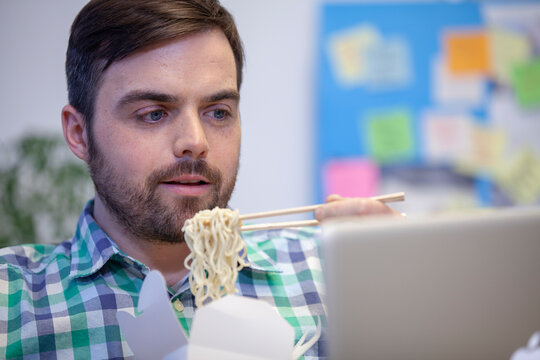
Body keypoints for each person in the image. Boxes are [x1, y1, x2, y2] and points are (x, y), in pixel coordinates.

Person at [0, 0, 400, 358]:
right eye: (153, 113)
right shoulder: (12, 301)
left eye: (218, 112)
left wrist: (419, 289)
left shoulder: (331, 274)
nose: (195, 141)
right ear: (78, 133)